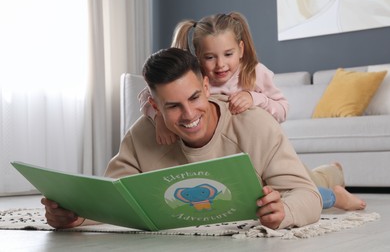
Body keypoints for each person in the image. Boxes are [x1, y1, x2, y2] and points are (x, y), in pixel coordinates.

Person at [42, 47, 323, 230]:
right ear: (154, 106)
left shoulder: (256, 124)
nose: (189, 115)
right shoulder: (141, 135)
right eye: (173, 106)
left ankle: (329, 175)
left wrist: (284, 211)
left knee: (320, 184)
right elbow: (114, 200)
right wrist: (75, 215)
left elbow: (307, 196)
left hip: (277, 173)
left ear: (206, 85)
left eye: (194, 97)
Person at [138, 12, 366, 211]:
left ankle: (335, 194)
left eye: (228, 54)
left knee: (304, 186)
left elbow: (282, 109)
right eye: (210, 57)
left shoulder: (255, 73)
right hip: (228, 155)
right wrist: (156, 117)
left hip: (263, 150)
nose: (220, 65)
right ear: (198, 55)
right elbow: (151, 98)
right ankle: (332, 172)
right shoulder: (194, 77)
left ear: (241, 49)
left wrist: (254, 98)